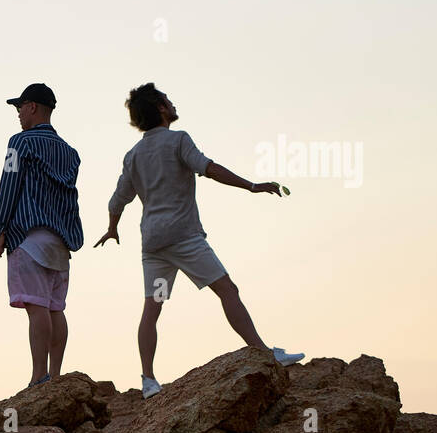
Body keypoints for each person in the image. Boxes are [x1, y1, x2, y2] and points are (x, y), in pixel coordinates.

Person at [96, 83, 303, 398]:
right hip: (184, 238)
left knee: (153, 307)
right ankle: (264, 353)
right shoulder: (178, 140)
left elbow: (117, 200)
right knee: (227, 290)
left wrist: (113, 228)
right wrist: (252, 186)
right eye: (167, 100)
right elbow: (209, 169)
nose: (172, 103)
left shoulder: (134, 155)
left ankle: (148, 380)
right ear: (161, 109)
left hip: (154, 245)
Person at [0, 83, 83, 389]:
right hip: (60, 240)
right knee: (56, 307)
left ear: (32, 107)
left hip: (27, 236)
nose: (17, 113)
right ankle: (55, 375)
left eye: (20, 107)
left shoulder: (18, 143)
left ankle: (38, 376)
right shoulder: (70, 154)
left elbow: (9, 186)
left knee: (36, 306)